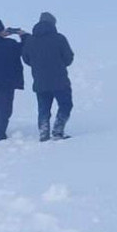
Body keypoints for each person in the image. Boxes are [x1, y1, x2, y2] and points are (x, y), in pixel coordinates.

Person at [21, 11, 75, 141]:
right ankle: (58, 131)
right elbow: (68, 58)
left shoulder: (30, 40)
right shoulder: (60, 38)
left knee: (43, 108)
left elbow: (26, 59)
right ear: (53, 24)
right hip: (60, 80)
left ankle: (43, 133)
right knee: (66, 105)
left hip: (40, 81)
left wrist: (38, 66)